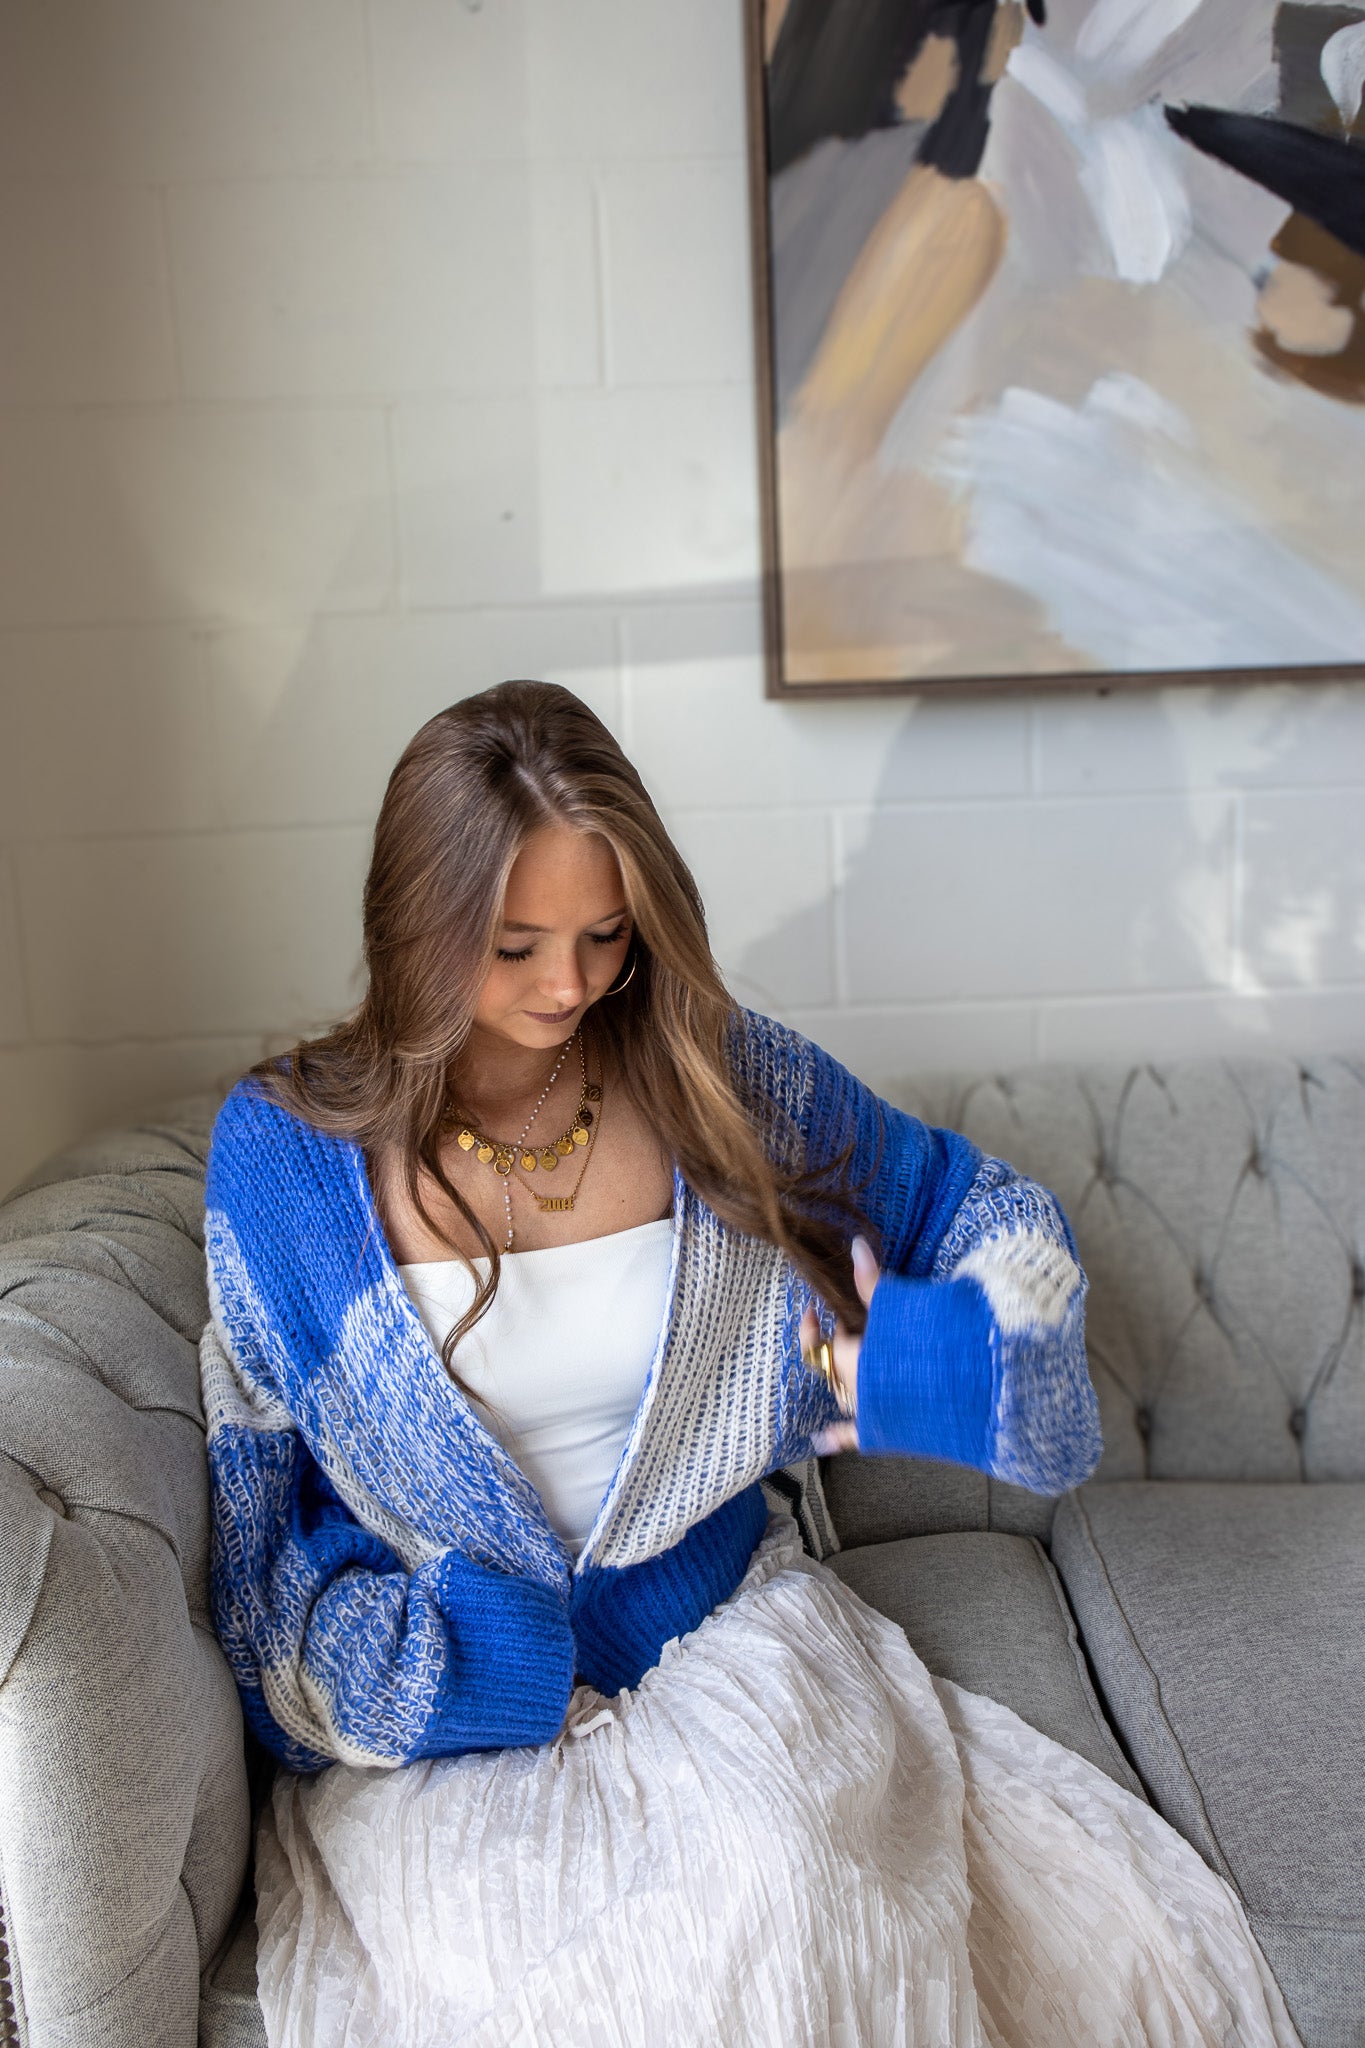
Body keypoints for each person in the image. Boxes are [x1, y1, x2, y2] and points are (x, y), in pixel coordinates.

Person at [201, 681, 1298, 2047]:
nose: (567, 987)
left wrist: (930, 1363)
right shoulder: (282, 1163)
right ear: (414, 928)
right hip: (458, 1713)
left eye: (605, 937)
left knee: (785, 1934)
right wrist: (449, 1671)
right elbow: (261, 1551)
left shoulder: (720, 1079)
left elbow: (989, 1218)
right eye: (514, 945)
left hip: (733, 1642)